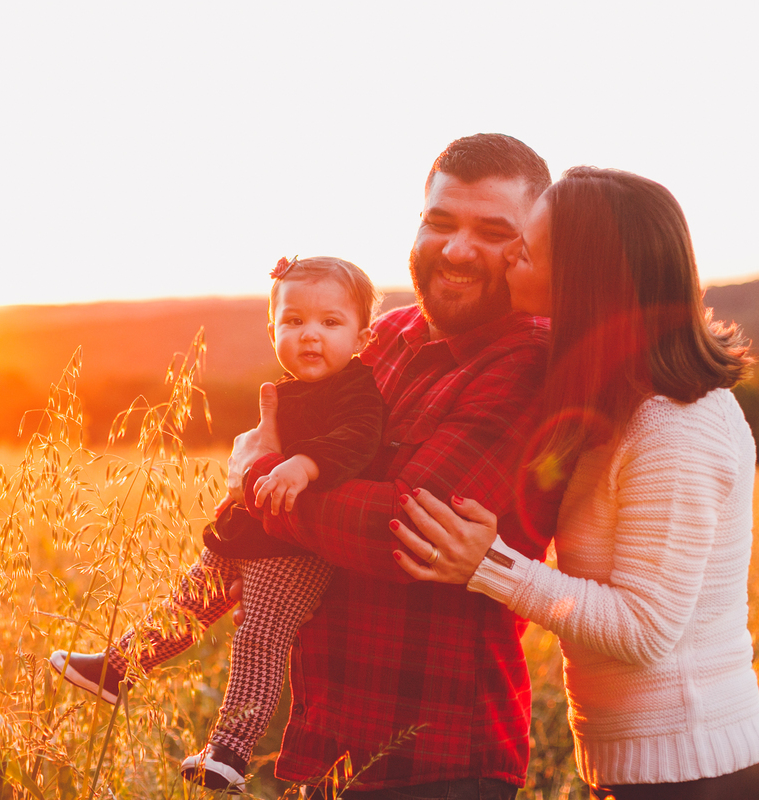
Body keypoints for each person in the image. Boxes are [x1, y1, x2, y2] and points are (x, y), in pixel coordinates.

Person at [390, 167, 759, 799]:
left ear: (581, 280)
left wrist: (491, 566)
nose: (511, 259)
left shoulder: (675, 424)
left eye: (527, 250)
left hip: (696, 767)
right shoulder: (612, 401)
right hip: (638, 765)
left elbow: (647, 630)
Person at [225, 134, 562, 799]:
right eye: (440, 222)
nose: (457, 249)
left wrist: (261, 481)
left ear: (530, 247)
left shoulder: (528, 359)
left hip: (438, 761)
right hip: (325, 743)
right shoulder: (386, 337)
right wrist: (280, 474)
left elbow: (404, 532)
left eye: (493, 232)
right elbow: (307, 445)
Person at [51, 256, 387, 793]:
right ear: (272, 328)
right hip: (249, 532)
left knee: (260, 638)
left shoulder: (357, 390)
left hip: (298, 551)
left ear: (363, 338)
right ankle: (116, 668)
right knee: (187, 603)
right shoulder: (287, 389)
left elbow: (357, 443)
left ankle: (231, 749)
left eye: (330, 323)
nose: (310, 336)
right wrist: (235, 504)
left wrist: (302, 465)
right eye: (293, 321)